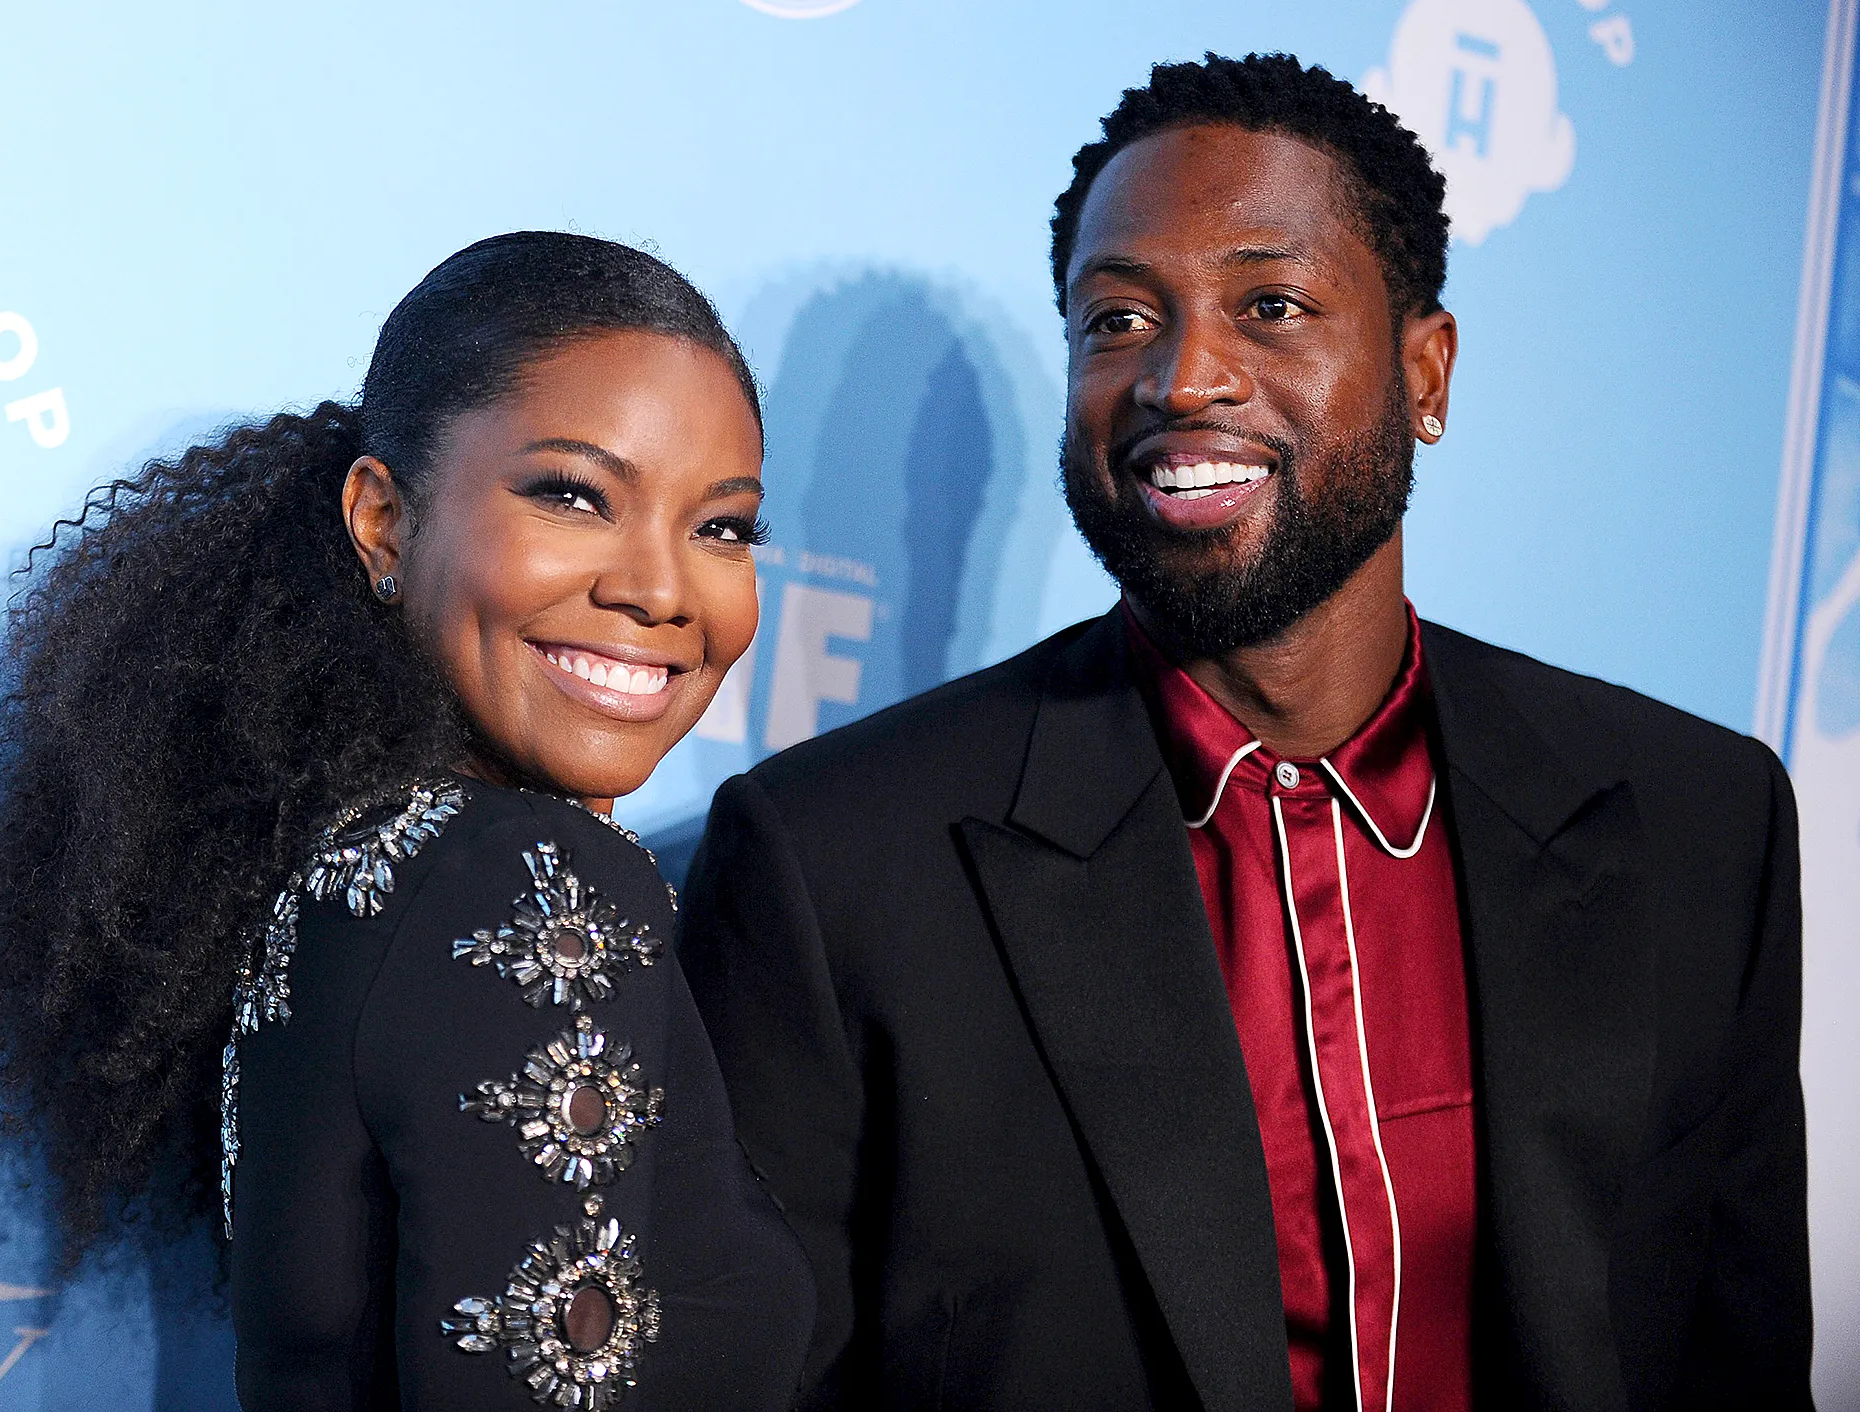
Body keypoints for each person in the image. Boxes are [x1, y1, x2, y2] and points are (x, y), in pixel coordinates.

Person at [679, 54, 1812, 1411]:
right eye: (1116, 319)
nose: (1183, 376)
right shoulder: (836, 864)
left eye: (1269, 305)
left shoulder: (1701, 820)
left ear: (1427, 373)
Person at [0, 232, 812, 1410]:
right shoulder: (529, 879)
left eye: (722, 527)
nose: (659, 588)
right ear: (382, 520)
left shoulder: (373, 863)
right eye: (572, 495)